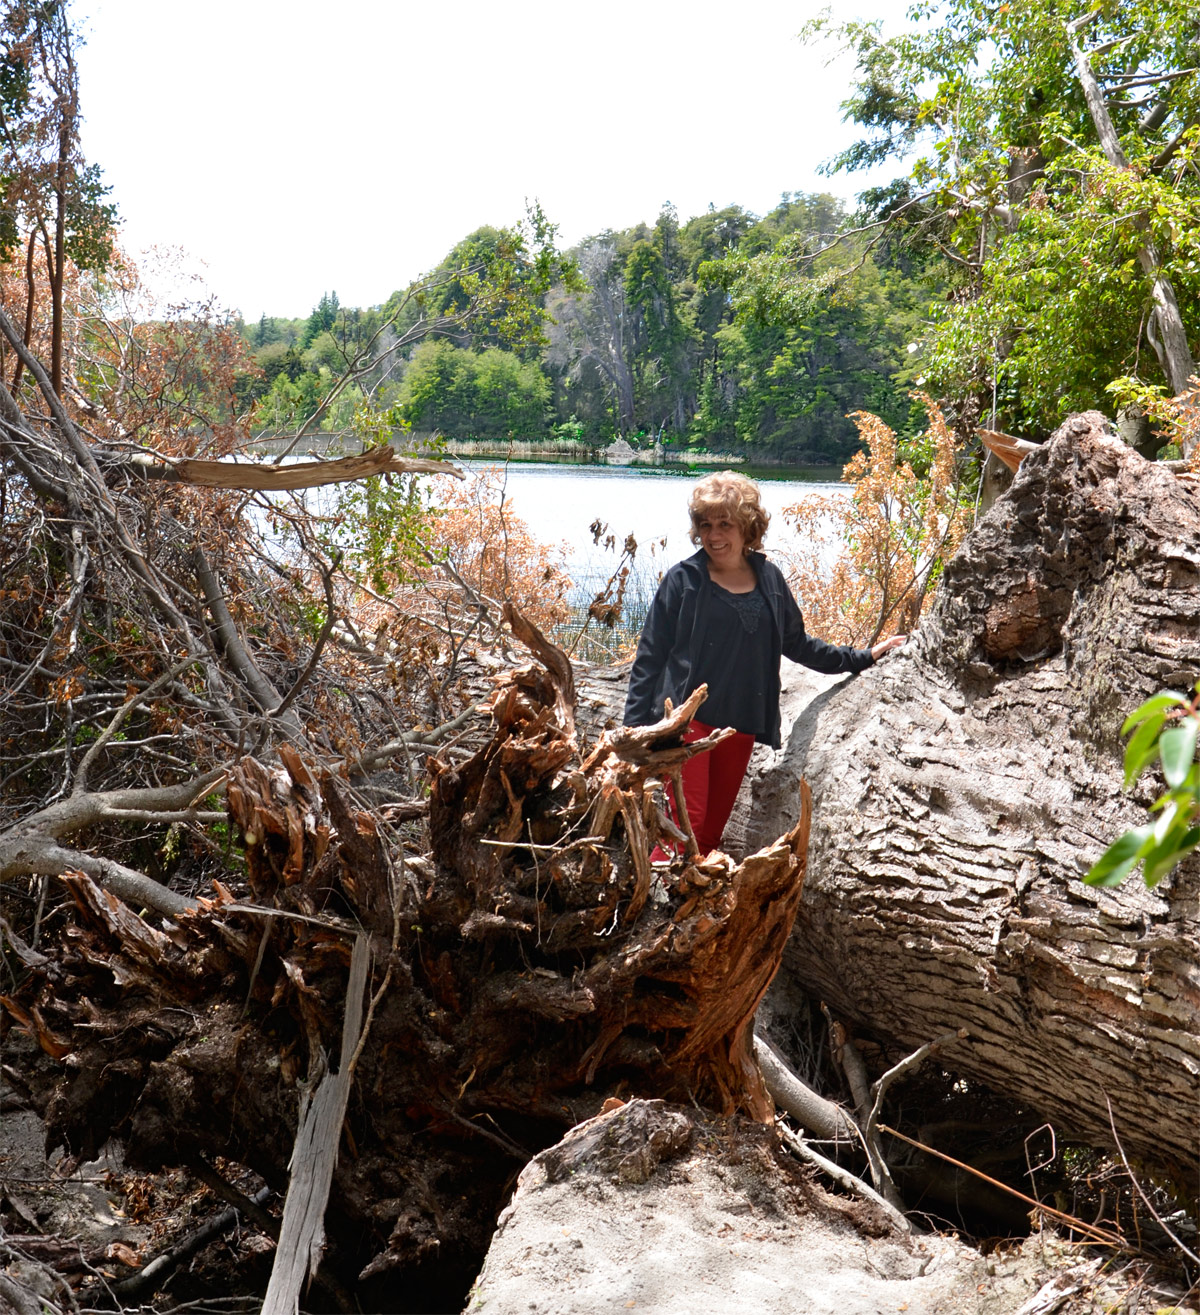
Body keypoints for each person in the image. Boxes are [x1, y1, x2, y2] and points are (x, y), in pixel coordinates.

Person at [623, 471, 905, 857]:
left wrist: (862, 657)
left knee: (710, 835)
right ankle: (658, 894)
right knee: (684, 829)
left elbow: (798, 643)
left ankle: (687, 896)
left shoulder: (769, 578)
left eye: (725, 524)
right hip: (686, 724)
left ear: (748, 527)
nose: (714, 535)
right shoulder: (683, 580)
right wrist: (633, 735)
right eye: (705, 525)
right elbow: (649, 658)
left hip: (739, 726)